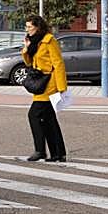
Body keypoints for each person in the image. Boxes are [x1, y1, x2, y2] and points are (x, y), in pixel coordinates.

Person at [22, 14, 69, 163]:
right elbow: (29, 63)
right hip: (39, 82)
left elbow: (59, 63)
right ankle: (58, 153)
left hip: (49, 84)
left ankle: (40, 150)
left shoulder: (49, 40)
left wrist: (61, 87)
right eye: (27, 26)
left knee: (34, 115)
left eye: (30, 26)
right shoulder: (34, 42)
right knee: (49, 120)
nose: (27, 29)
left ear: (38, 27)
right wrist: (26, 48)